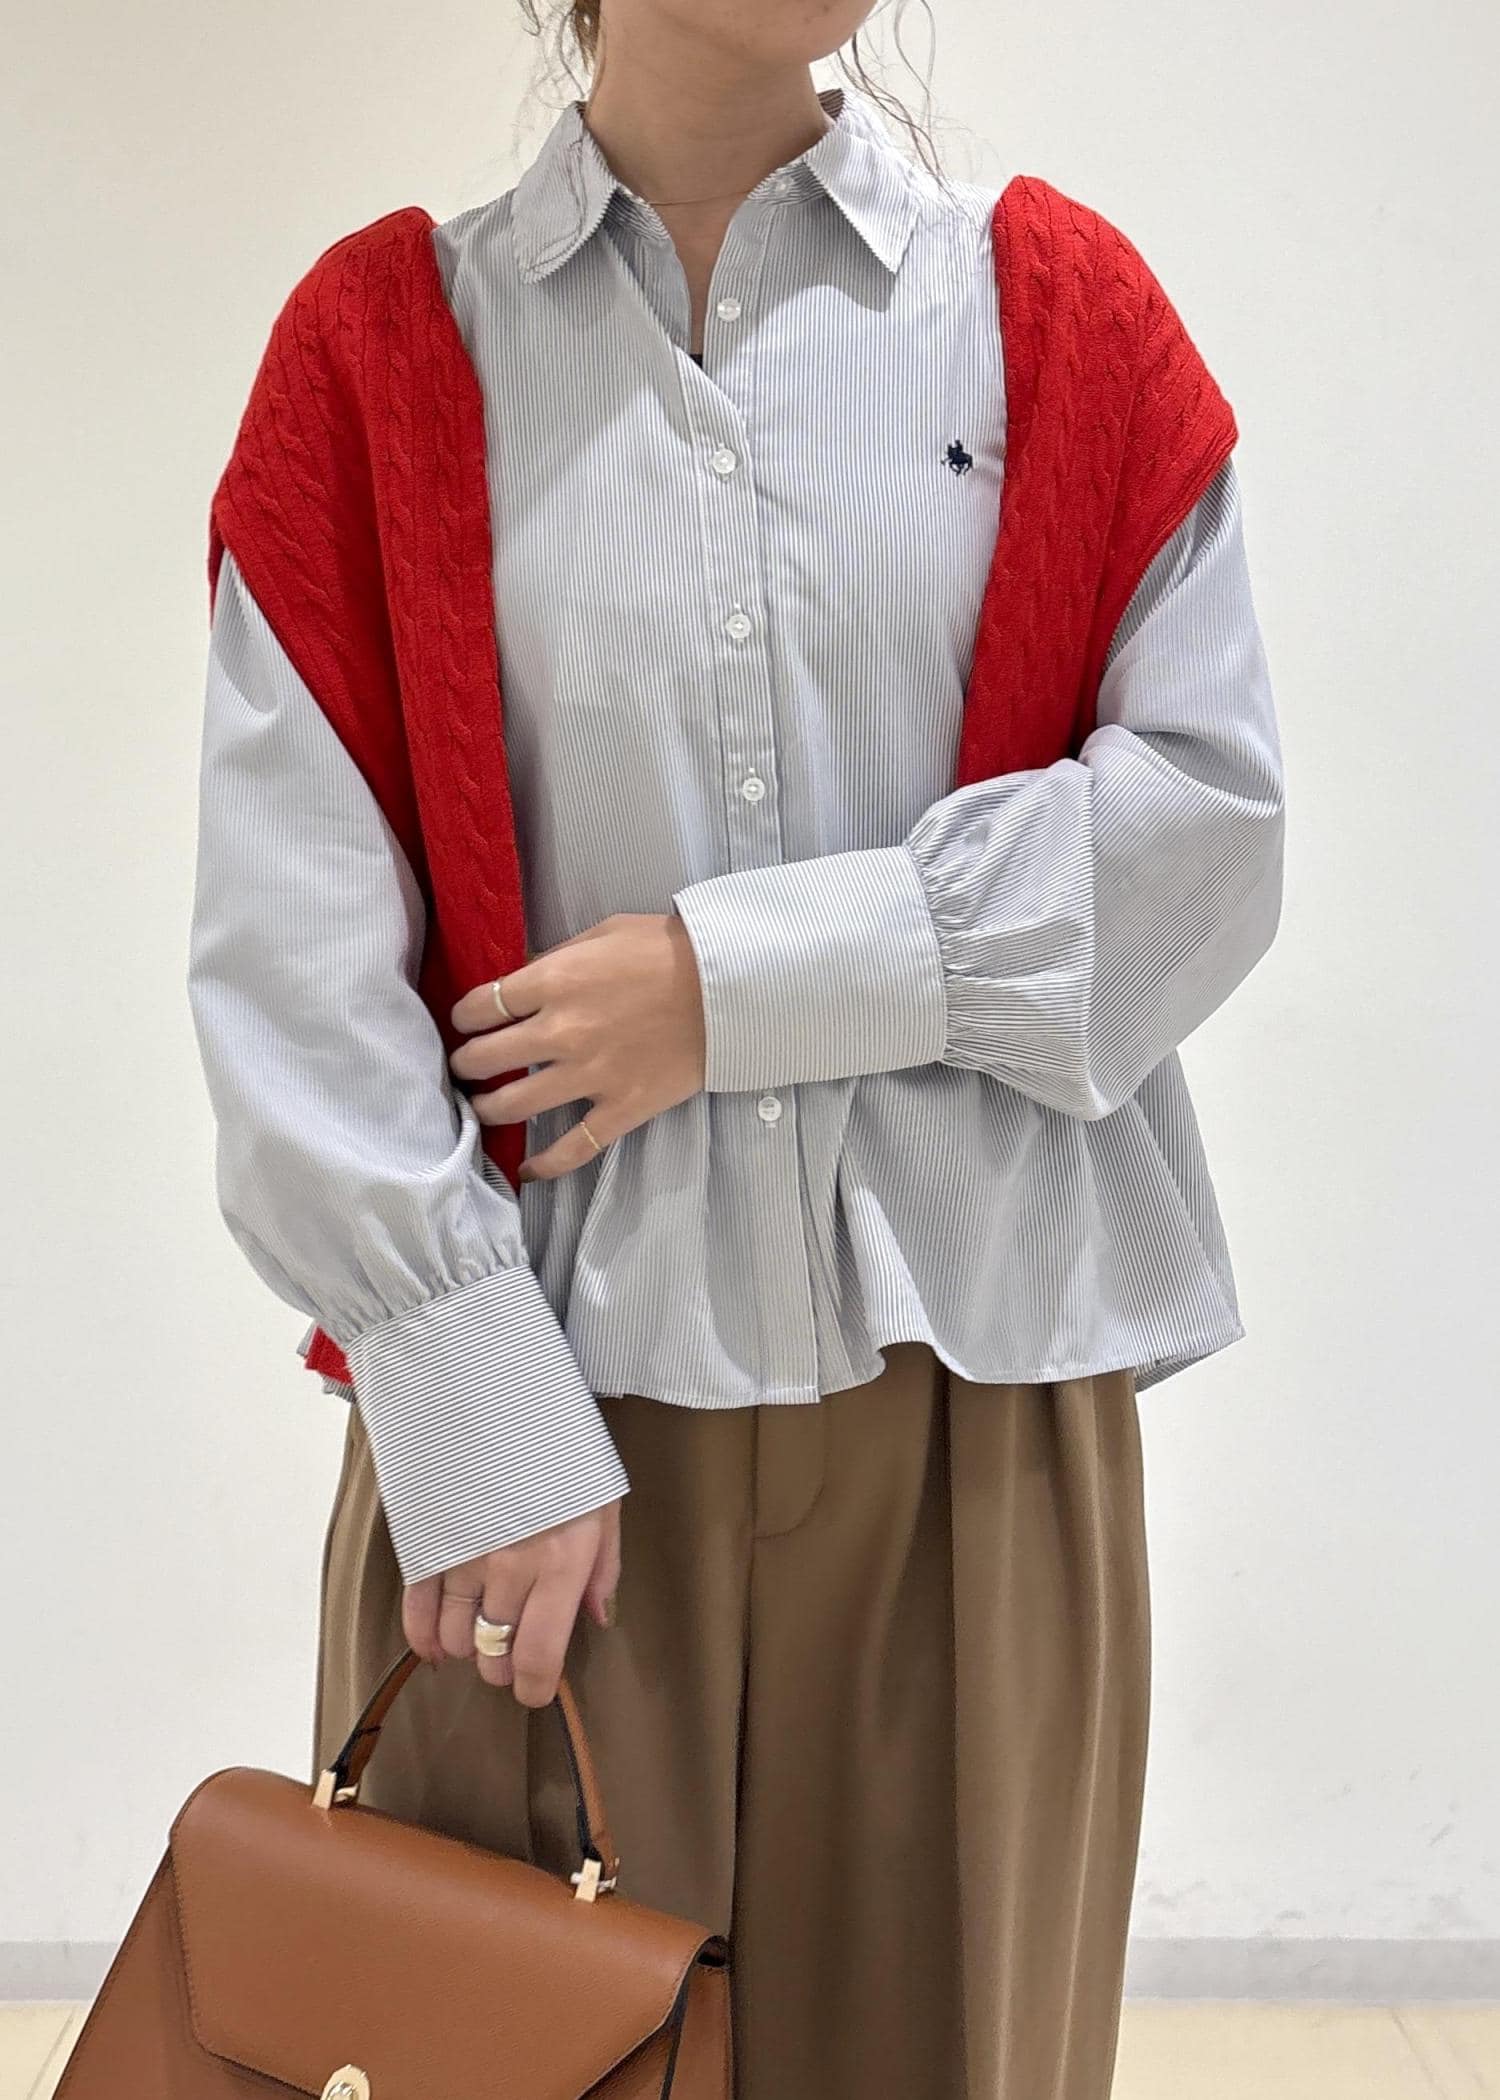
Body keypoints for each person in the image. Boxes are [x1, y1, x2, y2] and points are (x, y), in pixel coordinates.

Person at [186, 5, 1285, 2095]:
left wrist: (737, 983)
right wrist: (470, 1400)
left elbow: (1204, 838)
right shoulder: (382, 351)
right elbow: (290, 944)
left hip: (973, 1432)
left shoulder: (1056, 317)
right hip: (542, 1429)